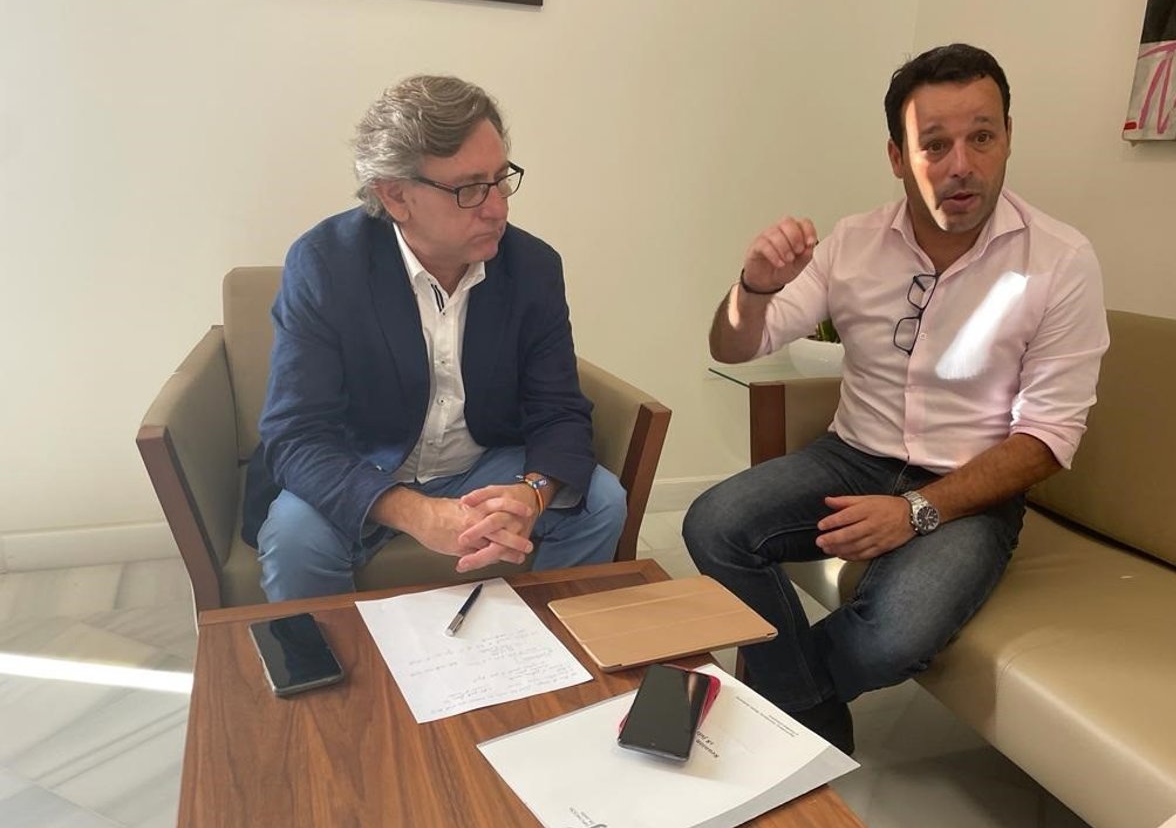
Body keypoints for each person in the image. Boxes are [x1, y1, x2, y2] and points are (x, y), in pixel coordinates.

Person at [682, 44, 1109, 754]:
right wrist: (753, 287)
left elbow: (1048, 440)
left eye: (982, 136)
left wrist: (916, 510)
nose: (961, 164)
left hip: (971, 488)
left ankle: (774, 705)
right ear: (897, 156)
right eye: (933, 144)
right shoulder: (852, 243)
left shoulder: (1060, 261)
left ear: (1008, 137)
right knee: (713, 523)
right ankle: (810, 715)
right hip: (849, 459)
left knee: (894, 636)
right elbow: (733, 346)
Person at [243, 74, 627, 602]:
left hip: (481, 464)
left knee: (603, 501)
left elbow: (558, 410)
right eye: (470, 189)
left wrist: (532, 493)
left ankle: (544, 640)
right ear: (395, 195)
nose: (497, 207)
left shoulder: (532, 267)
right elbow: (296, 433)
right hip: (362, 468)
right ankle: (334, 659)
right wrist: (415, 512)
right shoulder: (326, 264)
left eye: (501, 179)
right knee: (295, 541)